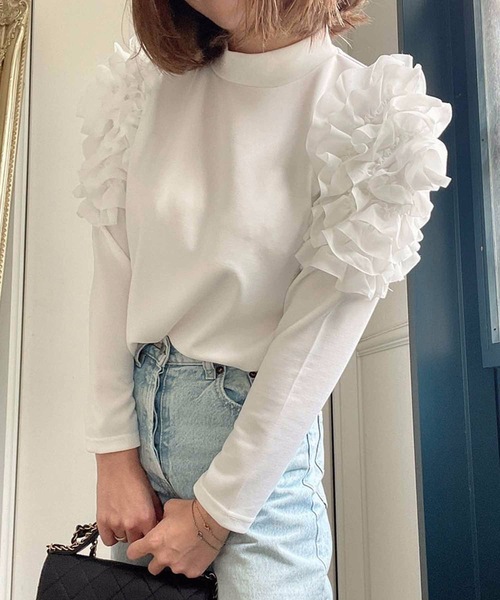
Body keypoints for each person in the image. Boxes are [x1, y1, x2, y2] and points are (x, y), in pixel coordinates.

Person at [72, 0, 453, 597]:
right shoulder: (143, 91)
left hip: (255, 464)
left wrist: (213, 516)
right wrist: (112, 455)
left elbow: (316, 339)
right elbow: (113, 278)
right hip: (139, 449)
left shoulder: (369, 116)